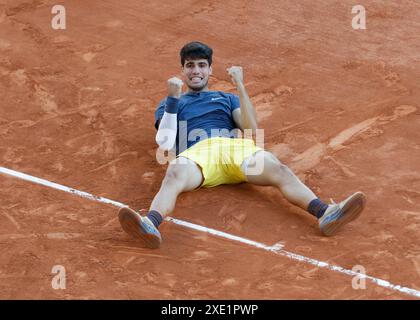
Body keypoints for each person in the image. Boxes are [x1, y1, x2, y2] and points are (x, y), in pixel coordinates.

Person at [118, 41, 366, 249]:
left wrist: (240, 86)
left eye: (201, 65)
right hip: (197, 157)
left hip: (234, 151)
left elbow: (250, 128)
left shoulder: (226, 98)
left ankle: (325, 213)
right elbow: (165, 141)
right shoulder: (171, 101)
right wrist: (172, 99)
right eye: (190, 65)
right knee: (173, 173)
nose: (196, 71)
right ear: (183, 70)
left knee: (278, 168)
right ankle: (149, 224)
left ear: (209, 70)